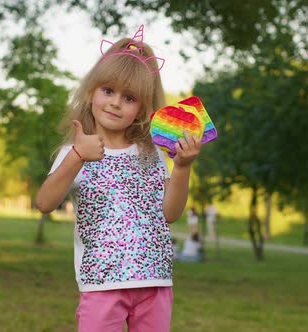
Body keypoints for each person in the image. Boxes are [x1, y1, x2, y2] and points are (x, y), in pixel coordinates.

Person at [35, 25, 201, 332]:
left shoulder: (151, 154)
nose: (115, 102)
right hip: (101, 283)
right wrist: (77, 157)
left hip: (155, 281)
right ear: (91, 92)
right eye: (108, 91)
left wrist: (182, 168)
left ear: (142, 110)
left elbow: (171, 213)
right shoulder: (75, 151)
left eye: (129, 98)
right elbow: (45, 202)